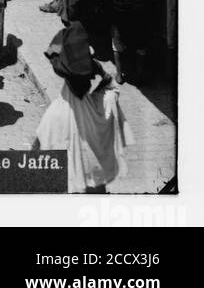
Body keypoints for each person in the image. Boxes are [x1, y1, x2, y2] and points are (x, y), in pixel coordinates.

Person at [34, 24, 131, 193]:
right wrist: (101, 72)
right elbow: (112, 88)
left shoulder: (54, 114)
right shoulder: (99, 103)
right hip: (93, 185)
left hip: (67, 192)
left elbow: (53, 51)